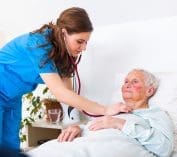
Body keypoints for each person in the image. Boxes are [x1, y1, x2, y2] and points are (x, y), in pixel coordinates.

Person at [0, 7, 131, 151]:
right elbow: (60, 93)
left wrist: (73, 124)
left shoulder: (64, 54)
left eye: (86, 42)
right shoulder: (38, 44)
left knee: (9, 145)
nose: (84, 48)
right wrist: (105, 109)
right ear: (64, 33)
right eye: (80, 41)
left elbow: (68, 95)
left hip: (12, 98)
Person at [28, 69, 174, 157]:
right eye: (125, 81)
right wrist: (79, 128)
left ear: (150, 90)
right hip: (74, 145)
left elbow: (164, 148)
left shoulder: (156, 114)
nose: (127, 85)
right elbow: (96, 128)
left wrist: (119, 123)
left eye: (135, 82)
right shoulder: (115, 111)